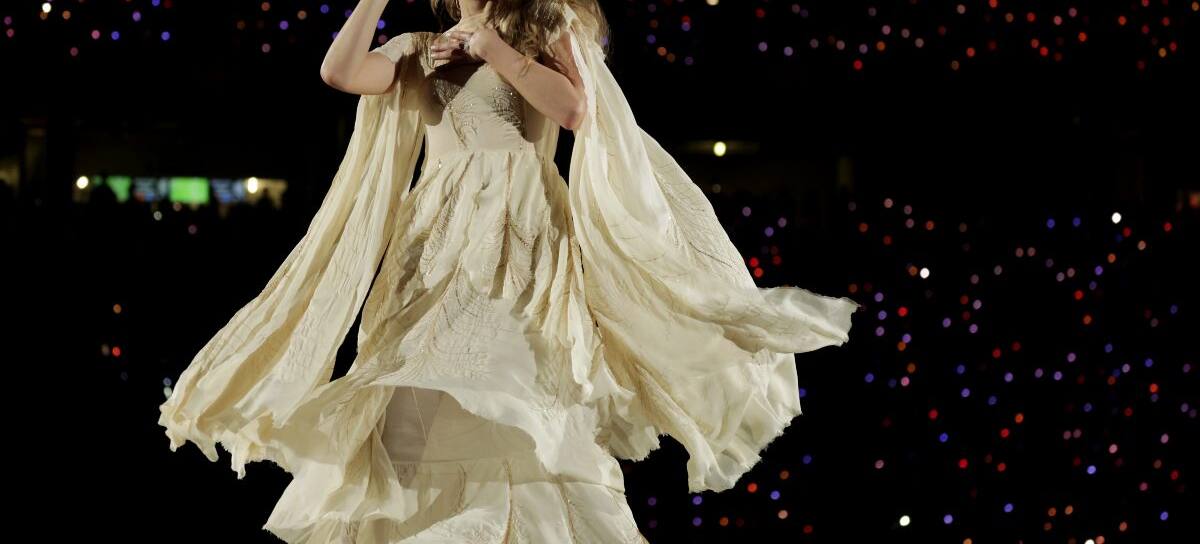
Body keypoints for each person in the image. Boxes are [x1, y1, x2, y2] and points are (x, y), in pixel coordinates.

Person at [158, 1, 862, 541]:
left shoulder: (543, 27)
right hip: (432, 244)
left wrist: (491, 47)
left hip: (520, 238)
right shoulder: (419, 48)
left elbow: (578, 110)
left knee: (514, 387)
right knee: (408, 392)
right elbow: (339, 73)